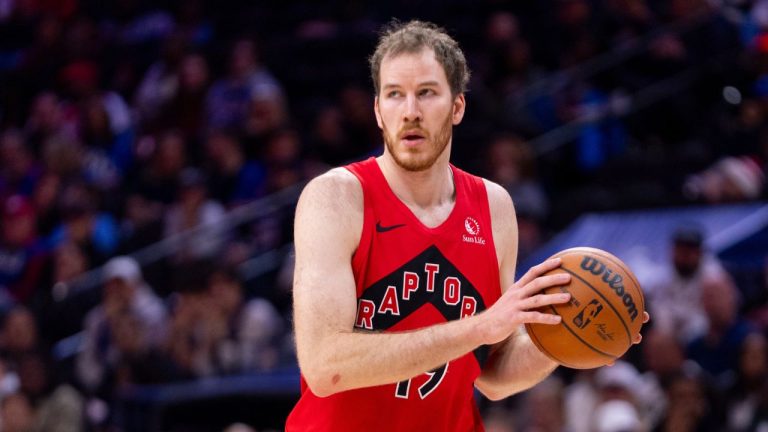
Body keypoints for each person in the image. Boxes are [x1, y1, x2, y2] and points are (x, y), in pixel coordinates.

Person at [286, 20, 645, 431]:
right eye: (394, 94)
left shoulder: (494, 207)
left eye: (426, 93)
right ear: (378, 111)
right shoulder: (336, 198)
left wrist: (567, 336)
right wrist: (479, 327)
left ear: (457, 107)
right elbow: (325, 366)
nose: (410, 111)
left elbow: (493, 375)